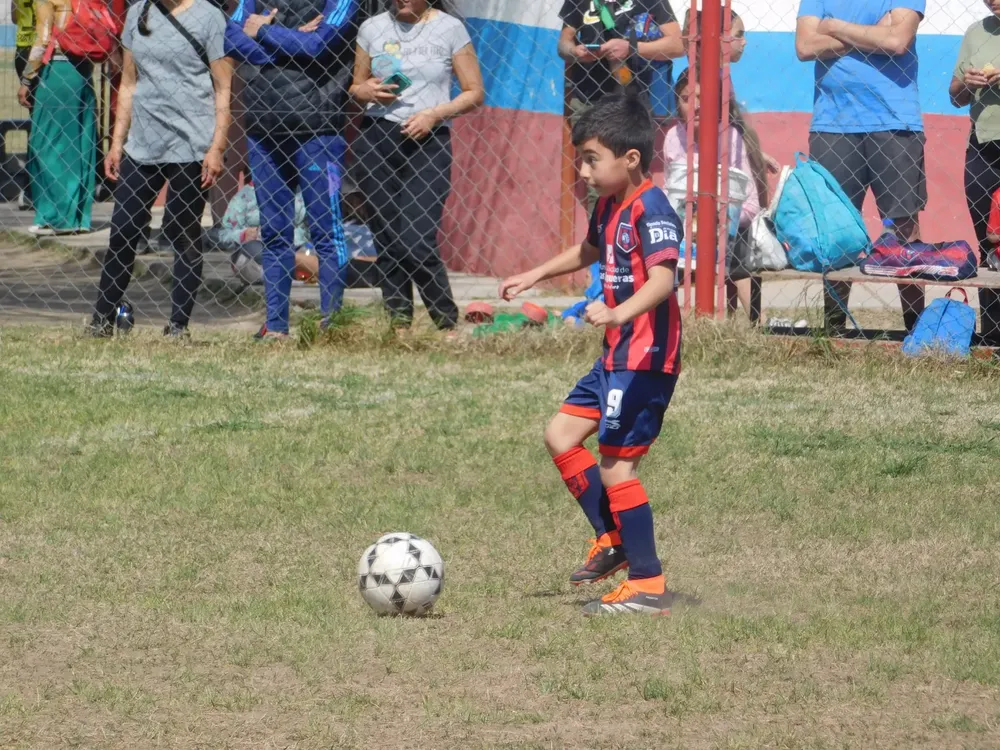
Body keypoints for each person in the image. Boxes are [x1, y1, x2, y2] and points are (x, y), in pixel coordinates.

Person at [498, 92, 682, 616]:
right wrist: (536, 273)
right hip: (615, 356)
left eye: (591, 159)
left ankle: (648, 585)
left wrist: (620, 313)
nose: (582, 170)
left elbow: (666, 279)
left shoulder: (654, 208)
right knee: (560, 434)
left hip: (645, 358)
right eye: (580, 158)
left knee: (617, 469)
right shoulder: (609, 204)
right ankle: (613, 538)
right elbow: (591, 249)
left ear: (630, 158)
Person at [88, 0, 232, 338]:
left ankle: (178, 325)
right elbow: (128, 83)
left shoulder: (209, 18)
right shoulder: (139, 13)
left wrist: (217, 147)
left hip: (191, 145)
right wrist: (116, 142)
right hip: (143, 144)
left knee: (182, 233)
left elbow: (223, 88)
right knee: (122, 230)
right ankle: (101, 319)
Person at [225, 0, 357, 341]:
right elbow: (230, 36)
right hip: (263, 127)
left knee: (327, 232)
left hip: (319, 127)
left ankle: (331, 327)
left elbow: (319, 45)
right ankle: (276, 328)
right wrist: (284, 47)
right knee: (274, 232)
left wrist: (266, 32)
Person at [350, 0, 484, 331]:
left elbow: (475, 92)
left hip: (429, 141)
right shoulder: (372, 28)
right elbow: (356, 87)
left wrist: (433, 114)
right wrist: (365, 90)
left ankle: (445, 322)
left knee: (416, 238)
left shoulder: (450, 29)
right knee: (387, 237)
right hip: (377, 140)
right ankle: (398, 323)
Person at [796, 0, 927, 334]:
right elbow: (804, 46)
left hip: (894, 121)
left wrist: (834, 27)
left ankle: (915, 328)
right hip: (832, 123)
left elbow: (898, 42)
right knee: (835, 227)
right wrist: (874, 34)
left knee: (904, 226)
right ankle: (834, 327)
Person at [664, 68, 769, 320]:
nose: (696, 106)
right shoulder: (673, 137)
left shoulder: (731, 137)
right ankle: (670, 319)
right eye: (686, 99)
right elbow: (671, 193)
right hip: (686, 224)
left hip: (729, 223)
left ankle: (761, 321)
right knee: (666, 249)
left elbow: (750, 202)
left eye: (703, 98)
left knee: (737, 255)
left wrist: (722, 220)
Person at [558, 0, 683, 212]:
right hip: (590, 100)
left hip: (632, 101)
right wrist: (576, 52)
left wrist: (631, 48)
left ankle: (630, 231)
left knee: (633, 174)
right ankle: (600, 237)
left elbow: (678, 45)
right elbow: (563, 44)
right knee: (596, 178)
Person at [16, 0, 96, 235]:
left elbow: (42, 39)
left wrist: (27, 79)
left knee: (46, 143)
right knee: (79, 143)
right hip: (82, 72)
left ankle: (56, 216)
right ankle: (78, 217)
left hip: (57, 72)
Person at [950, 0, 1000, 346]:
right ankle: (994, 336)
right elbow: (955, 96)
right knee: (990, 244)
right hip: (983, 146)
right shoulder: (977, 32)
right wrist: (966, 84)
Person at [12, 0, 35, 210]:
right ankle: (31, 188)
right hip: (39, 52)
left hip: (22, 48)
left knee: (38, 122)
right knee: (44, 125)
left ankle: (30, 188)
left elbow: (14, 16)